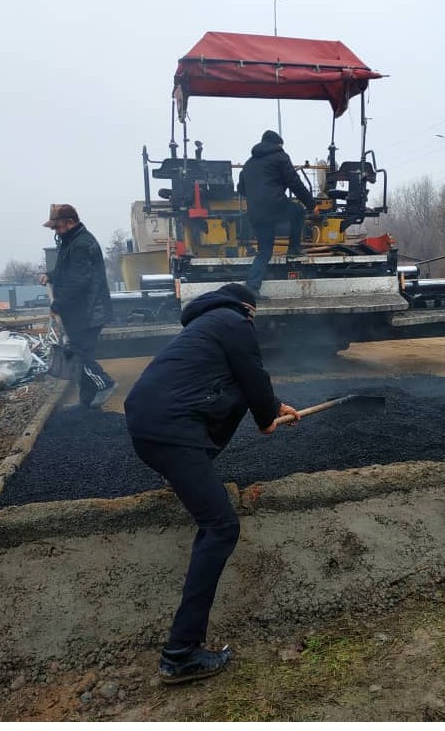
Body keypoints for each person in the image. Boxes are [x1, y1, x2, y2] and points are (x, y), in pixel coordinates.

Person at [123, 283, 299, 684]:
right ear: (248, 309)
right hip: (173, 431)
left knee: (233, 391)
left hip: (147, 425)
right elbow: (252, 372)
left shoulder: (203, 328)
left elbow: (238, 385)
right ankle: (180, 653)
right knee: (221, 526)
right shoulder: (235, 320)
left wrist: (270, 408)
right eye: (252, 315)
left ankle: (185, 477)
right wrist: (266, 416)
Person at [40, 203, 116, 409]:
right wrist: (51, 275)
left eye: (57, 227)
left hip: (89, 311)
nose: (55, 231)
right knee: (80, 356)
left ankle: (105, 384)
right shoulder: (72, 241)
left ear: (70, 222)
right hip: (83, 311)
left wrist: (58, 304)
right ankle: (87, 403)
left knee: (80, 355)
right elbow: (67, 271)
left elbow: (77, 281)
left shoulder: (82, 244)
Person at [237, 130, 319, 299]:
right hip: (275, 206)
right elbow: (294, 182)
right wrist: (312, 205)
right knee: (297, 211)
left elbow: (241, 189)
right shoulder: (280, 156)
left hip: (257, 213)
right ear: (277, 144)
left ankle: (252, 288)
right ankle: (293, 248)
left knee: (265, 252)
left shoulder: (248, 164)